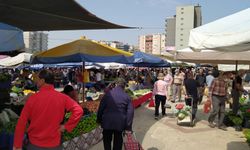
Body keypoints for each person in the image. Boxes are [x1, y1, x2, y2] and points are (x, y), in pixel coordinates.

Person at [13, 70, 83, 150]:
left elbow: (22, 122)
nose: (36, 81)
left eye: (37, 79)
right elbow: (79, 110)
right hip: (55, 144)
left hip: (35, 144)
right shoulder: (62, 97)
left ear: (42, 81)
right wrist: (66, 126)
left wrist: (17, 145)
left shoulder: (32, 98)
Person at [97, 78, 134, 150]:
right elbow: (130, 113)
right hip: (120, 123)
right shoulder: (126, 96)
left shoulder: (107, 95)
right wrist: (128, 127)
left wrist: (99, 120)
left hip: (107, 122)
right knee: (118, 142)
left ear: (116, 84)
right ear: (124, 86)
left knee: (107, 141)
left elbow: (100, 109)